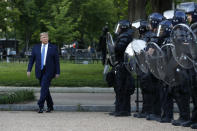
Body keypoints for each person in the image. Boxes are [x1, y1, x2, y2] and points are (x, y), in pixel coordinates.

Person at [27, 32, 60, 113]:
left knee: (44, 87)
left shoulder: (53, 47)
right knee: (45, 88)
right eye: (43, 37)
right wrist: (29, 70)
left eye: (46, 37)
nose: (45, 38)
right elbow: (31, 60)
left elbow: (57, 61)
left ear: (48, 38)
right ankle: (50, 106)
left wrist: (57, 72)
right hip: (39, 70)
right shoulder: (36, 48)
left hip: (49, 71)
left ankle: (40, 105)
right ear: (40, 39)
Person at [109, 20, 135, 116]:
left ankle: (123, 110)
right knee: (119, 88)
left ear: (123, 28)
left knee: (122, 88)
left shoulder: (125, 37)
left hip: (123, 65)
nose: (118, 29)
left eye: (119, 27)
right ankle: (119, 109)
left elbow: (119, 49)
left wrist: (114, 46)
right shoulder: (124, 36)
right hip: (122, 64)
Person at [178, 2, 197, 129]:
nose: (188, 17)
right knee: (194, 94)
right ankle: (194, 118)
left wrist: (186, 46)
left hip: (195, 64)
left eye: (189, 15)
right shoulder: (193, 28)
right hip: (192, 64)